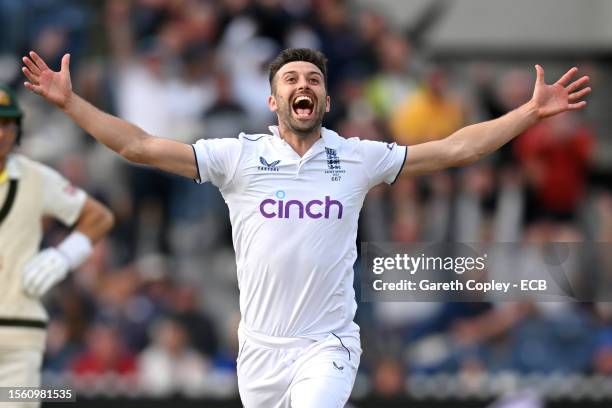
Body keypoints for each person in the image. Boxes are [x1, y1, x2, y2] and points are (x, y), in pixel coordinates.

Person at [21, 48, 591, 407]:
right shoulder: (236, 157)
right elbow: (139, 146)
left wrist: (527, 114)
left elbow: (454, 149)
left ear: (323, 99)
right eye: (293, 78)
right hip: (260, 351)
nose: (305, 85)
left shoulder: (358, 157)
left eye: (314, 79)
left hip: (327, 343)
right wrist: (71, 104)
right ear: (274, 100)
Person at [0, 84, 114, 406]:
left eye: (7, 123)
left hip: (18, 328)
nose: (1, 133)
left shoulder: (36, 178)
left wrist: (65, 256)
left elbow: (99, 218)